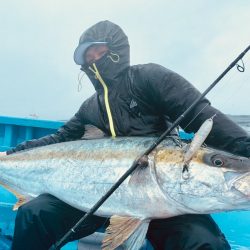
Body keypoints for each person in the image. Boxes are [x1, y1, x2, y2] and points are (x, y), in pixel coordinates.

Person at [1, 20, 250, 250]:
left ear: (117, 49)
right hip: (93, 201)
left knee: (204, 243)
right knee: (34, 214)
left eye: (100, 52)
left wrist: (246, 149)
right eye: (89, 57)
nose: (95, 61)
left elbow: (200, 115)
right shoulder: (90, 106)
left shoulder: (148, 78)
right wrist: (9, 154)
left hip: (164, 197)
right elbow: (59, 139)